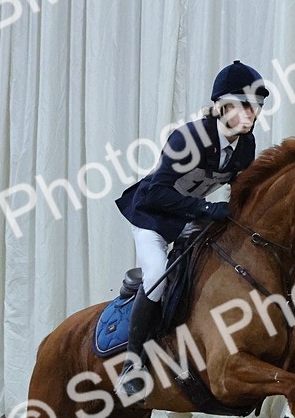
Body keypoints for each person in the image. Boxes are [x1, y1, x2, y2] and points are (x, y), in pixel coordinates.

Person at [114, 60, 270, 397]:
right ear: (221, 106)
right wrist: (205, 208)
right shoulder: (189, 138)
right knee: (156, 276)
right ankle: (133, 364)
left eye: (256, 106)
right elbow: (155, 191)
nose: (251, 114)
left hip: (191, 221)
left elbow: (243, 195)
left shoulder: (246, 147)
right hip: (152, 217)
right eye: (244, 105)